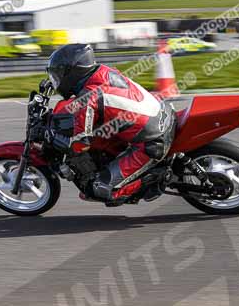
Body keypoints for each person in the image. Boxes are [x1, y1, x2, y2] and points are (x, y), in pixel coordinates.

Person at [46, 43, 175, 203]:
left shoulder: (88, 99)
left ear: (72, 72)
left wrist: (55, 140)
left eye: (59, 75)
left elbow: (80, 143)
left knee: (99, 188)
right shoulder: (103, 72)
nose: (57, 80)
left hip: (152, 142)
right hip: (161, 113)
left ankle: (155, 178)